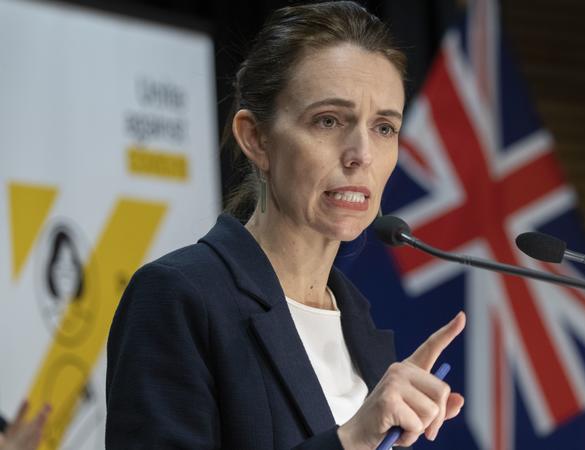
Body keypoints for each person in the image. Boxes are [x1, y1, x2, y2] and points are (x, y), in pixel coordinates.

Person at [105, 2, 465, 449]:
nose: (362, 154)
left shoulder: (362, 327)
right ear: (255, 138)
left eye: (384, 127)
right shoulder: (180, 297)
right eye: (329, 120)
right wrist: (350, 440)